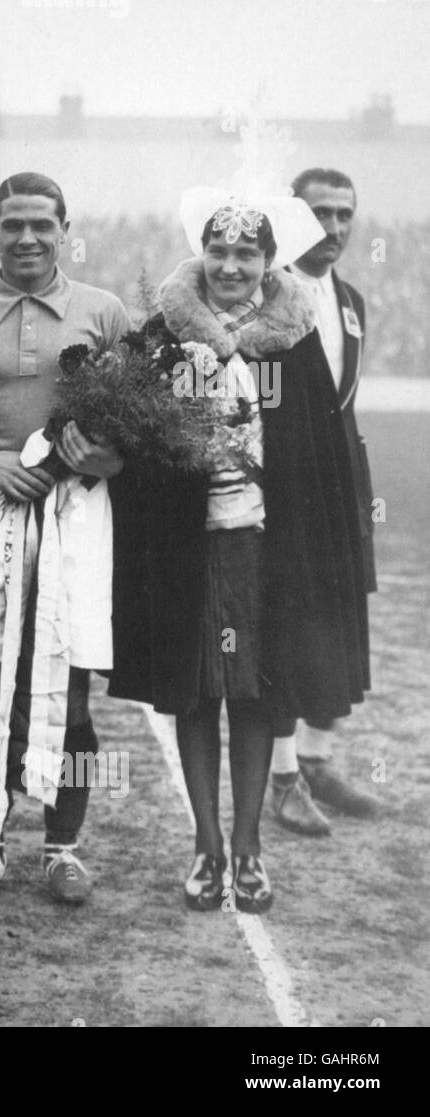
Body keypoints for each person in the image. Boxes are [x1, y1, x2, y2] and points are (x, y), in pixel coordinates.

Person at [109, 186, 369, 912]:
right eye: (218, 250)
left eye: (245, 252)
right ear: (202, 252)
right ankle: (207, 846)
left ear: (268, 259)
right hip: (189, 546)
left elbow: (314, 458)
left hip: (266, 548)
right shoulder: (164, 337)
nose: (229, 264)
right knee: (193, 693)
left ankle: (249, 847)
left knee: (257, 692)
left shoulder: (295, 339)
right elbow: (137, 446)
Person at [0, 172, 131, 906]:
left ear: (65, 228)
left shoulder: (105, 315)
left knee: (72, 698)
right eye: (12, 224)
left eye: (43, 224)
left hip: (75, 514)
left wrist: (105, 458)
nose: (28, 237)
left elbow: (133, 429)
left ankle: (63, 846)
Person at [269, 168, 378, 834]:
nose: (334, 228)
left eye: (345, 214)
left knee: (339, 622)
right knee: (285, 628)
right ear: (291, 216)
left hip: (343, 489)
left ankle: (316, 760)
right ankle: (282, 778)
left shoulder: (354, 301)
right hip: (284, 489)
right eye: (320, 214)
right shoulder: (263, 295)